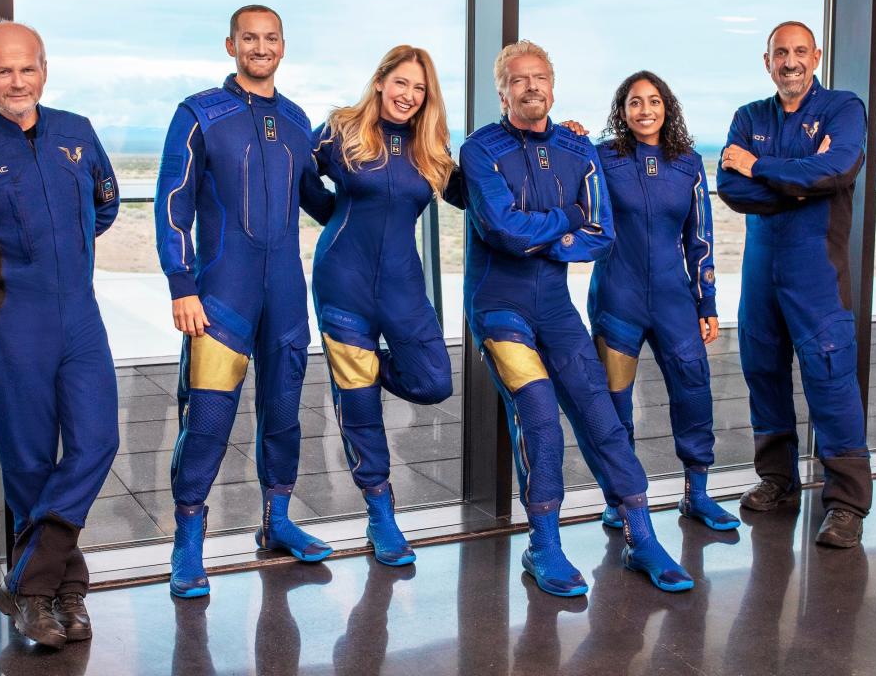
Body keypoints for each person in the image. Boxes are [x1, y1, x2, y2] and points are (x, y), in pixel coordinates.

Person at [460, 40, 692, 596]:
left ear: (553, 84)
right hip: (499, 309)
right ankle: (543, 545)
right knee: (539, 416)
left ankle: (642, 537)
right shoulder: (479, 149)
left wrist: (541, 235)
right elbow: (502, 229)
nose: (531, 86)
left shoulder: (578, 149)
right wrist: (564, 219)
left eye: (539, 76)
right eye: (519, 79)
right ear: (502, 90)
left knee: (602, 416)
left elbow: (602, 234)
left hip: (556, 310)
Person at [0, 21, 120, 648]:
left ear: (44, 69)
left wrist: (74, 257)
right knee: (30, 462)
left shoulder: (77, 133)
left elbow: (106, 203)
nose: (16, 81)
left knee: (98, 441)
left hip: (81, 318)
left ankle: (25, 585)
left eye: (26, 68)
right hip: (14, 324)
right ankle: (62, 591)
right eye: (1, 70)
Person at [155, 5, 335, 599]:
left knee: (284, 414)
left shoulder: (298, 118)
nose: (261, 47)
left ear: (283, 46)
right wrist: (182, 285)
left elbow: (319, 199)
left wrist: (380, 191)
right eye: (250, 38)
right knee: (206, 420)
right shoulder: (200, 113)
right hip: (220, 296)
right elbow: (173, 202)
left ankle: (276, 522)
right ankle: (187, 541)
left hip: (285, 294)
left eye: (271, 38)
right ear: (231, 44)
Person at [718, 21, 870, 547]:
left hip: (817, 274)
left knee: (830, 376)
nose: (790, 61)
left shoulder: (843, 108)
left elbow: (838, 170)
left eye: (800, 51)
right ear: (767, 61)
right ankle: (777, 479)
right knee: (762, 369)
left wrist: (760, 165)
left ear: (817, 56)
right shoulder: (749, 115)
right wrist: (801, 181)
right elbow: (731, 189)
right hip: (761, 272)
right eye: (780, 52)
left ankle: (847, 503)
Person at [312, 46, 459, 566]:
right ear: (379, 82)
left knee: (435, 380)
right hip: (342, 280)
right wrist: (338, 220)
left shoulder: (430, 144)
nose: (408, 96)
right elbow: (306, 185)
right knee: (359, 405)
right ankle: (381, 514)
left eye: (419, 89)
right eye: (400, 83)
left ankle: (359, 374)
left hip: (403, 287)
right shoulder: (341, 130)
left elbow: (474, 189)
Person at [589, 71, 739, 531]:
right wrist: (569, 131)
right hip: (618, 298)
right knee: (615, 404)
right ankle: (620, 497)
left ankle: (697, 494)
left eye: (654, 101)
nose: (645, 110)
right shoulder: (603, 158)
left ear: (667, 107)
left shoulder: (689, 164)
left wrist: (707, 301)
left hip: (676, 301)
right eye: (635, 102)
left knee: (694, 392)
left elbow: (701, 239)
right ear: (623, 110)